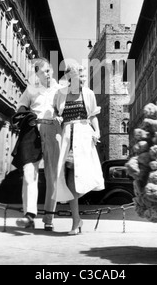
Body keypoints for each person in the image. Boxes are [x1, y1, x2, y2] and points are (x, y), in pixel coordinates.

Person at [53, 63, 105, 235]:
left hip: (83, 136)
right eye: (78, 77)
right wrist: (57, 119)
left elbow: (93, 116)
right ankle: (76, 220)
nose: (82, 80)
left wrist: (97, 131)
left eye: (83, 77)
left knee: (82, 177)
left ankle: (76, 220)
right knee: (69, 179)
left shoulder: (88, 94)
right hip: (67, 138)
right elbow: (55, 112)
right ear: (69, 78)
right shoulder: (60, 94)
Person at [14, 57, 62, 231]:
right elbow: (20, 106)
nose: (47, 74)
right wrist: (23, 115)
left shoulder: (60, 90)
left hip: (53, 130)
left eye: (49, 70)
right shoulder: (32, 89)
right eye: (43, 72)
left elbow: (66, 110)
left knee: (52, 175)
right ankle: (29, 215)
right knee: (29, 172)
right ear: (37, 75)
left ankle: (49, 217)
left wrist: (60, 116)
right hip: (33, 131)